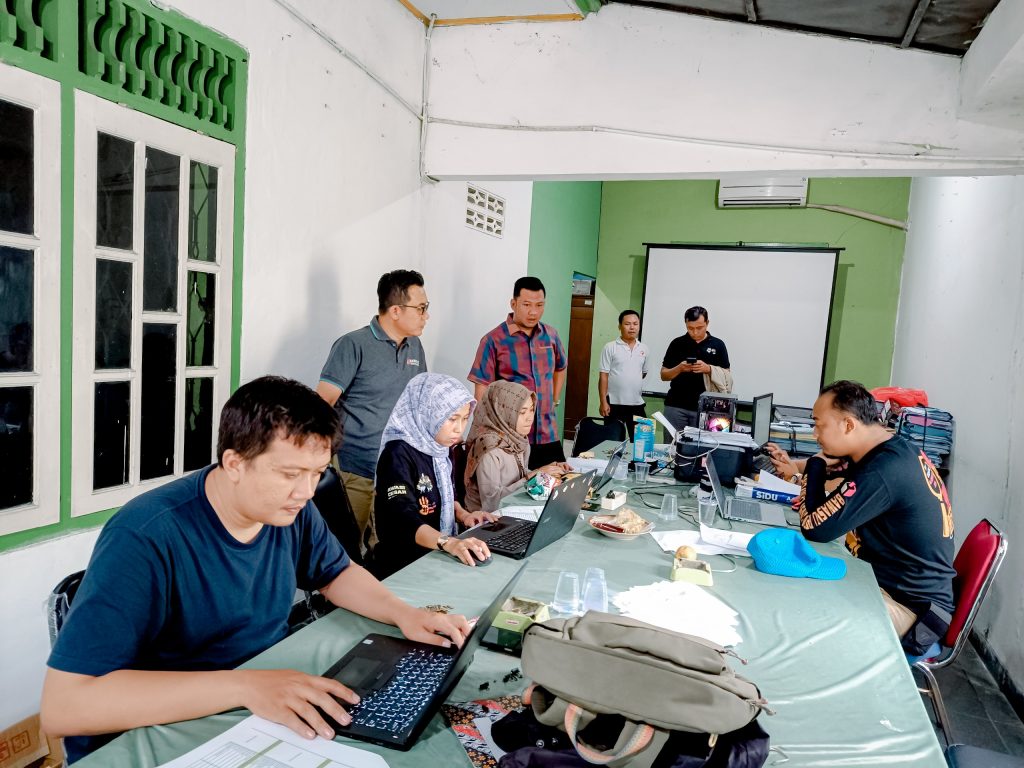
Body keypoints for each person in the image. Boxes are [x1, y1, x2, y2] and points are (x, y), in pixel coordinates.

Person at [41, 376, 469, 764]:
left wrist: (404, 614)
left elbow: (336, 573)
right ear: (234, 463)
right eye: (290, 474)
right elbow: (65, 707)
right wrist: (245, 686)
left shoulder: (290, 508)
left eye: (317, 474)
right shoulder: (146, 535)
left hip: (260, 702)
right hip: (172, 725)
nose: (305, 492)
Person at [767, 380, 955, 645]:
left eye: (819, 425)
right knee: (793, 585)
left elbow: (815, 527)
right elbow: (835, 488)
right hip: (886, 587)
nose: (815, 434)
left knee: (800, 614)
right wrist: (810, 468)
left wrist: (816, 464)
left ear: (848, 425)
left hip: (911, 610)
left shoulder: (883, 470)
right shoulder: (889, 450)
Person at [316, 270, 429, 549]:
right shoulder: (353, 345)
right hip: (356, 468)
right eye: (421, 308)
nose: (426, 316)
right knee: (345, 547)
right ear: (395, 310)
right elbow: (321, 404)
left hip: (396, 470)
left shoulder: (415, 346)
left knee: (388, 547)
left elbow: (418, 401)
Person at [373, 373, 497, 578]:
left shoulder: (441, 449)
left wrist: (465, 515)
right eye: (452, 419)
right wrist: (449, 543)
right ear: (427, 413)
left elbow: (446, 497)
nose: (459, 429)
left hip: (437, 554)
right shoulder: (397, 454)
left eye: (465, 418)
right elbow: (403, 519)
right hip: (404, 565)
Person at [468, 276, 568, 469]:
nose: (533, 312)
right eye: (526, 305)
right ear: (513, 304)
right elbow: (482, 393)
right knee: (520, 487)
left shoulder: (551, 335)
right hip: (511, 439)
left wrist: (554, 399)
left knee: (560, 481)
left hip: (548, 434)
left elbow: (560, 367)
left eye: (539, 305)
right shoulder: (493, 340)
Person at [464, 380, 572, 512]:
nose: (529, 418)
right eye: (522, 412)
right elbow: (491, 502)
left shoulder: (517, 439)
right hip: (486, 517)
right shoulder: (490, 449)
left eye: (531, 410)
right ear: (502, 413)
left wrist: (549, 470)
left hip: (512, 507)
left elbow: (518, 476)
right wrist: (535, 475)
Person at [660, 306, 732, 435]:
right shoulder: (677, 343)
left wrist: (708, 369)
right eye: (690, 328)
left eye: (699, 328)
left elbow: (727, 375)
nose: (695, 332)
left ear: (707, 323)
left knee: (703, 445)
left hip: (706, 408)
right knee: (673, 445)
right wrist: (680, 368)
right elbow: (664, 375)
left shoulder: (718, 345)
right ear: (686, 324)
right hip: (676, 405)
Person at [598, 309, 649, 440]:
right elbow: (603, 376)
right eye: (627, 324)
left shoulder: (644, 348)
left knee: (641, 442)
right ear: (620, 326)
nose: (632, 327)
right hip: (614, 404)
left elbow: (643, 373)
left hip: (637, 404)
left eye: (635, 324)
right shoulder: (610, 347)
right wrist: (603, 402)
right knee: (612, 443)